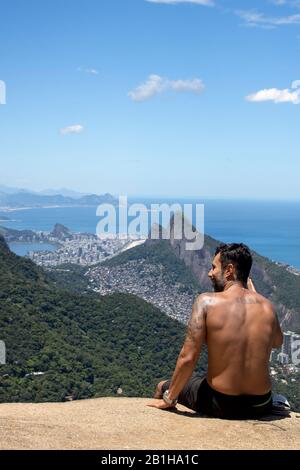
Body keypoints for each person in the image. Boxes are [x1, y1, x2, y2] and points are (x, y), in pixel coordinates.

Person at [148, 243, 283, 419]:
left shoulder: (206, 302)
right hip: (262, 404)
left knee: (162, 386)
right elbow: (277, 342)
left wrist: (170, 397)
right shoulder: (267, 306)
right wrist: (256, 296)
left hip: (222, 404)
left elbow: (188, 358)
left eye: (213, 267)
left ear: (229, 270)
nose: (210, 273)